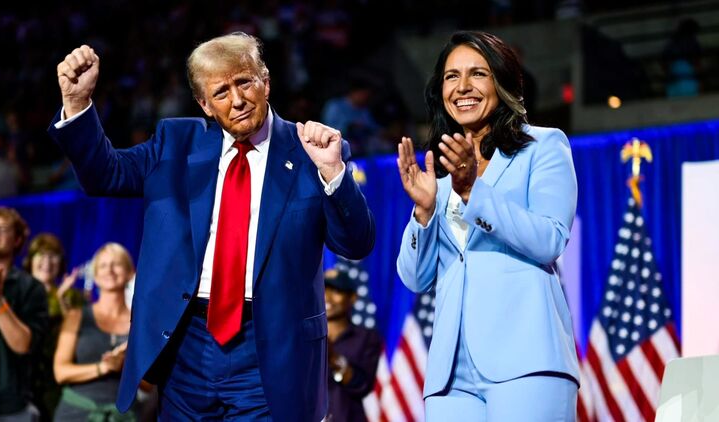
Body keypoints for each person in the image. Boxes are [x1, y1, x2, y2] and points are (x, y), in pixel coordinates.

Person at [49, 31, 375, 421]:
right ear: (204, 104)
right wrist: (77, 104)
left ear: (266, 81)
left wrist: (333, 172)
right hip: (186, 344)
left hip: (271, 347)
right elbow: (106, 174)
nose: (237, 100)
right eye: (221, 92)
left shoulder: (311, 150)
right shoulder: (175, 143)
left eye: (245, 82)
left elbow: (356, 243)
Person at [396, 31, 579, 420]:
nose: (462, 87)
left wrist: (473, 192)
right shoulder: (440, 175)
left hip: (526, 360)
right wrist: (424, 213)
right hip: (451, 376)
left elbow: (549, 239)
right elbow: (414, 278)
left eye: (477, 73)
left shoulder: (543, 147)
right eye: (451, 76)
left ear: (502, 82)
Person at [0, 207, 48, 420]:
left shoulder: (32, 288)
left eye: (3, 229)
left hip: (14, 407)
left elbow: (23, 345)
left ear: (17, 240)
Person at [53, 242, 133, 421]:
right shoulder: (76, 316)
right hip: (75, 413)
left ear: (130, 272)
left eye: (117, 264)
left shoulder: (139, 323)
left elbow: (149, 386)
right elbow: (60, 372)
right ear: (95, 275)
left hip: (122, 416)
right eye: (103, 265)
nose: (109, 270)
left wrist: (124, 365)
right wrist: (104, 367)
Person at [23, 233, 85, 421]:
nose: (47, 262)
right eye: (41, 255)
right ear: (30, 260)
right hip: (23, 377)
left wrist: (62, 300)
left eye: (53, 256)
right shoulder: (17, 292)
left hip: (57, 380)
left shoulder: (73, 296)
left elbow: (83, 337)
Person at [324, 268, 381, 422]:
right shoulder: (303, 336)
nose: (327, 297)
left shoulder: (366, 337)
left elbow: (363, 386)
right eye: (322, 290)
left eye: (336, 291)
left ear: (352, 297)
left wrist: (333, 358)